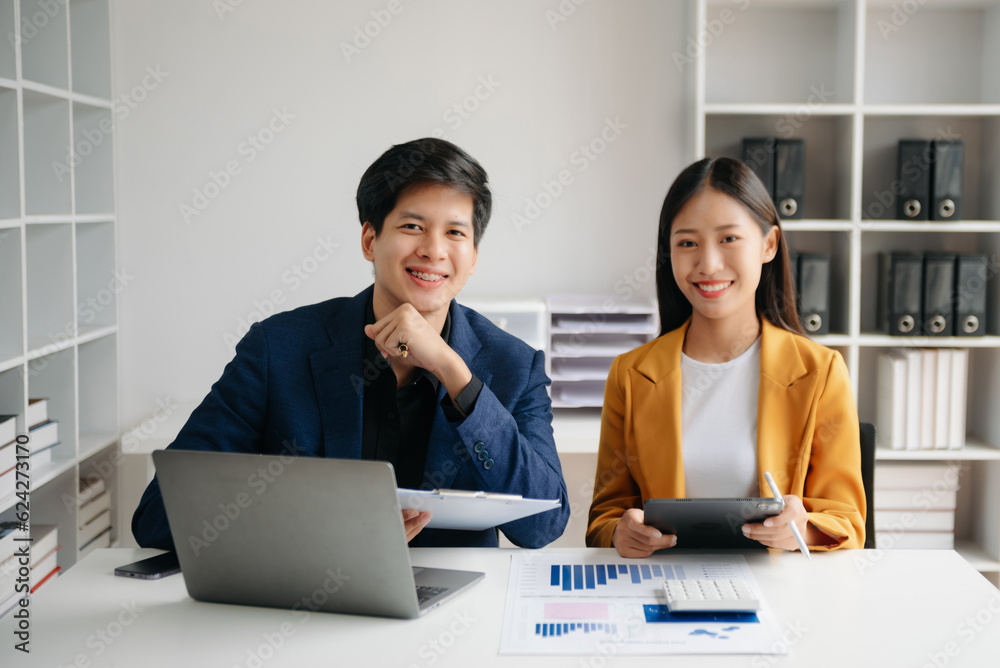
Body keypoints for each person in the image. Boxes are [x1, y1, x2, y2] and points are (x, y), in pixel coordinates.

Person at [133, 138, 569, 550]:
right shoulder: (276, 349)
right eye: (413, 226)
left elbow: (543, 526)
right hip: (308, 600)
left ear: (472, 258)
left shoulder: (514, 365)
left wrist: (454, 374)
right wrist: (328, 530)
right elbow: (159, 517)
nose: (434, 250)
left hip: (455, 613)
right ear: (369, 241)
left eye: (455, 234)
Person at [586, 157, 865, 558]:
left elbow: (847, 521)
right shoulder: (631, 375)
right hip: (663, 588)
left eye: (729, 239)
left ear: (768, 245)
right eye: (687, 243)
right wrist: (619, 533)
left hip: (780, 593)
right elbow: (605, 516)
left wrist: (804, 527)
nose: (708, 264)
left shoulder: (820, 373)